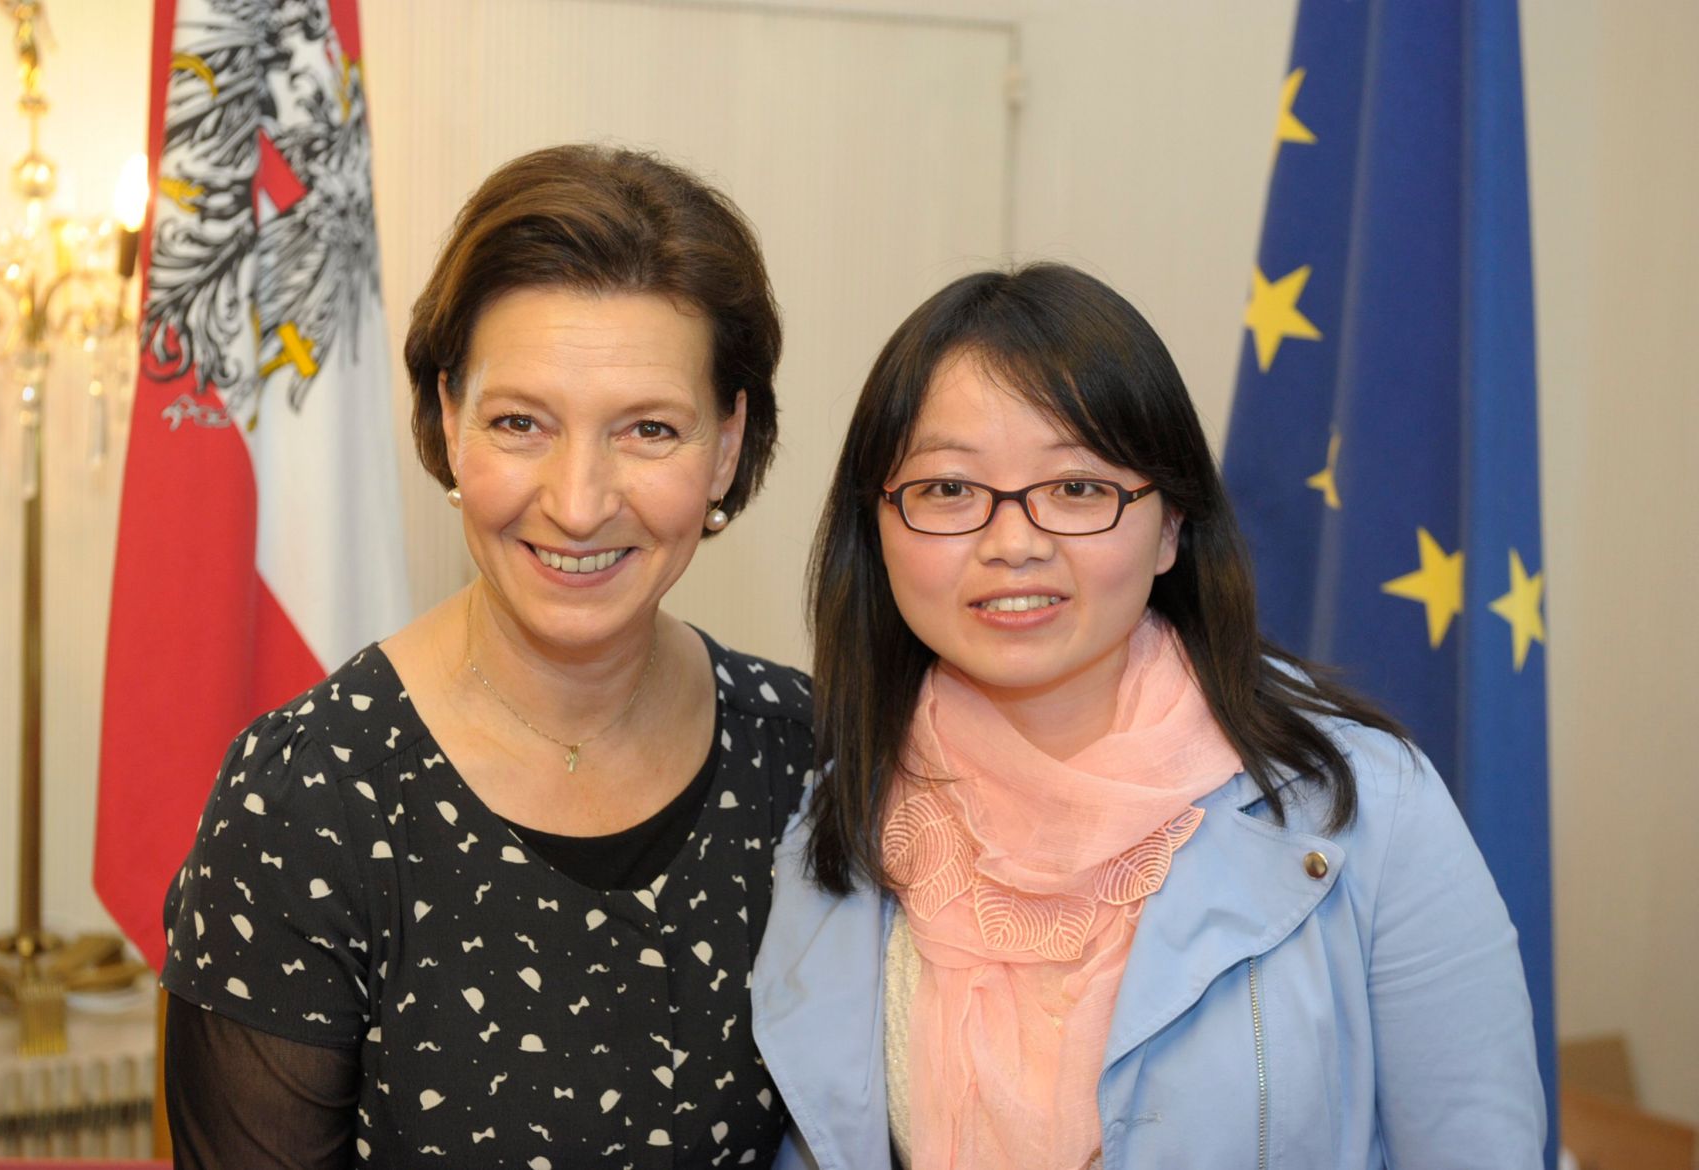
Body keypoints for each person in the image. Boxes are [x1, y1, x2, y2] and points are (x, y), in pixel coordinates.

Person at [750, 264, 1546, 1168]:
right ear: (878, 528)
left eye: (1077, 488)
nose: (1013, 543)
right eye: (949, 490)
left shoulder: (1371, 810)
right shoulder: (835, 815)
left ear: (1170, 526)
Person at [161, 145, 815, 1168]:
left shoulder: (804, 758)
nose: (578, 502)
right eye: (521, 423)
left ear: (727, 446)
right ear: (447, 417)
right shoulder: (308, 800)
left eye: (649, 429)